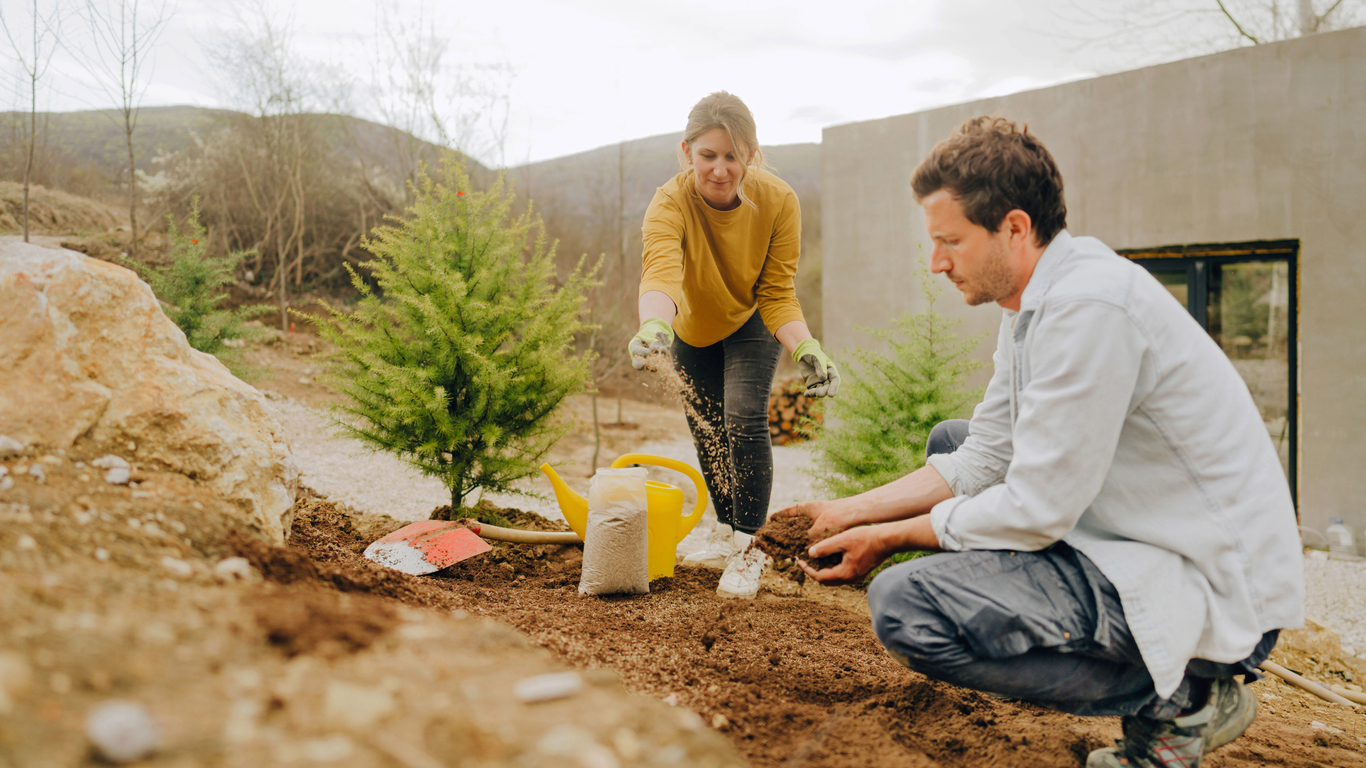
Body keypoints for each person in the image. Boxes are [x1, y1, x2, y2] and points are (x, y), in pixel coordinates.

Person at [776, 117, 1303, 767]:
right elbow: (988, 451)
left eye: (950, 241)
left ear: (1016, 228)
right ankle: (1167, 680)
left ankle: (1182, 699)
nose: (937, 261)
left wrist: (889, 537)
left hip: (1211, 579)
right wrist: (851, 511)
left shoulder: (1090, 310)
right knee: (955, 437)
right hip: (1141, 527)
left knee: (905, 607)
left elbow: (1038, 508)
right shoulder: (1034, 304)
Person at [630, 91, 839, 600]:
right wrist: (654, 327)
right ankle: (727, 532)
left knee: (742, 418)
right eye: (708, 155)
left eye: (732, 156)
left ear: (750, 154)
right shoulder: (669, 202)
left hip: (750, 320)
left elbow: (777, 292)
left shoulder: (778, 201)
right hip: (689, 326)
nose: (720, 169)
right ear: (687, 153)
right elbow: (662, 271)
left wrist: (806, 345)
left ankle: (751, 548)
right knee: (705, 427)